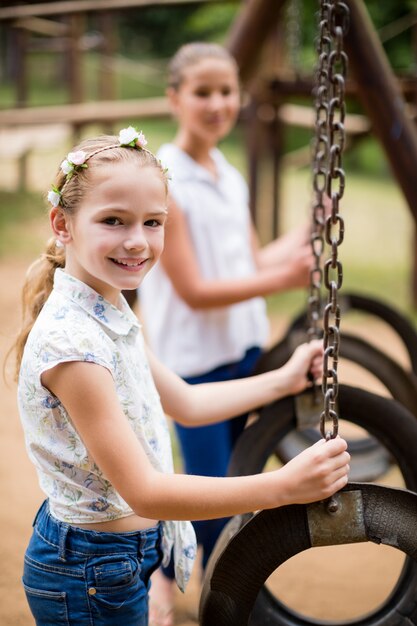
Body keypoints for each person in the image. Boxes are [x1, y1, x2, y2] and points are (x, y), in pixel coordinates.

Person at [13, 128, 349, 626]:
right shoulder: (73, 346)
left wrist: (283, 379)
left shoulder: (107, 305)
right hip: (88, 569)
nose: (137, 241)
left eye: (154, 222)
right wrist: (281, 486)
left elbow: (184, 402)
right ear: (62, 224)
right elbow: (145, 492)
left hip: (117, 557)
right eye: (113, 221)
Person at [138, 42, 318, 624]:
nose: (218, 103)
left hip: (242, 351)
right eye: (203, 92)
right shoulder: (167, 182)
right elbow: (193, 288)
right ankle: (213, 598)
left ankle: (168, 583)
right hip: (196, 361)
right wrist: (283, 276)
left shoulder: (229, 173)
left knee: (231, 480)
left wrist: (299, 240)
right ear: (174, 99)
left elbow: (248, 266)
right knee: (211, 497)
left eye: (227, 91)